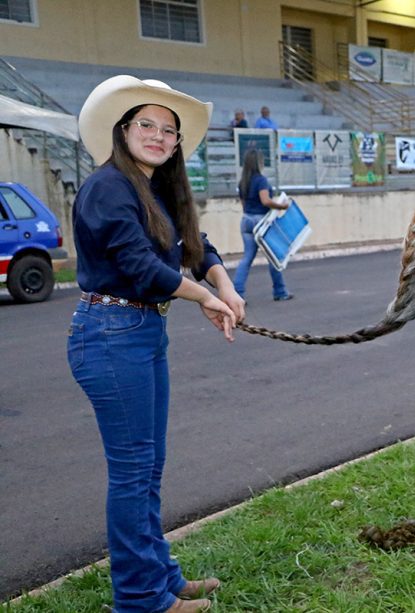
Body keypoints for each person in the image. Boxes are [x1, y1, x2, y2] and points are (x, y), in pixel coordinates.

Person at [69, 75, 245, 613]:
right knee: (132, 472)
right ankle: (141, 598)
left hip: (140, 331)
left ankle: (159, 577)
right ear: (123, 130)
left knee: (147, 468)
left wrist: (223, 284)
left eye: (168, 131)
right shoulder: (108, 187)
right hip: (110, 333)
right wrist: (204, 297)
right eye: (146, 124)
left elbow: (196, 245)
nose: (158, 136)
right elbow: (140, 265)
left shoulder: (155, 190)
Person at [233, 147, 294, 301]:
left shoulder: (243, 182)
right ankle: (280, 291)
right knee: (273, 257)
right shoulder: (261, 180)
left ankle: (237, 293)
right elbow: (265, 201)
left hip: (246, 221)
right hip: (261, 222)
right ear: (258, 163)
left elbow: (243, 205)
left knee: (247, 259)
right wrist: (283, 206)